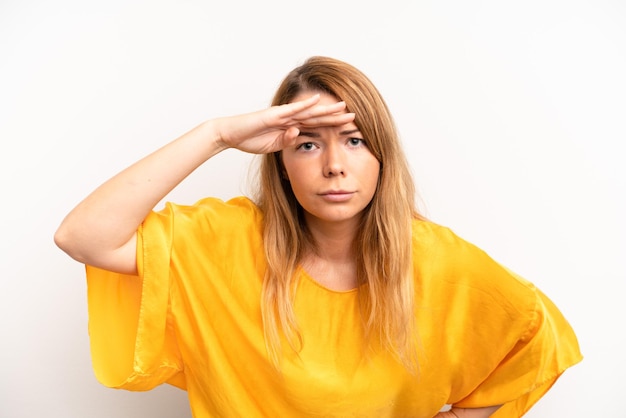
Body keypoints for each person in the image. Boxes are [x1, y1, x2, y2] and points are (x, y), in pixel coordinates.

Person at [54, 56, 582, 418]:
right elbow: (83, 236)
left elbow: (539, 336)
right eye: (307, 145)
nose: (334, 166)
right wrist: (217, 135)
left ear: (382, 158)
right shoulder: (223, 242)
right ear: (280, 162)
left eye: (354, 141)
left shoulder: (437, 262)